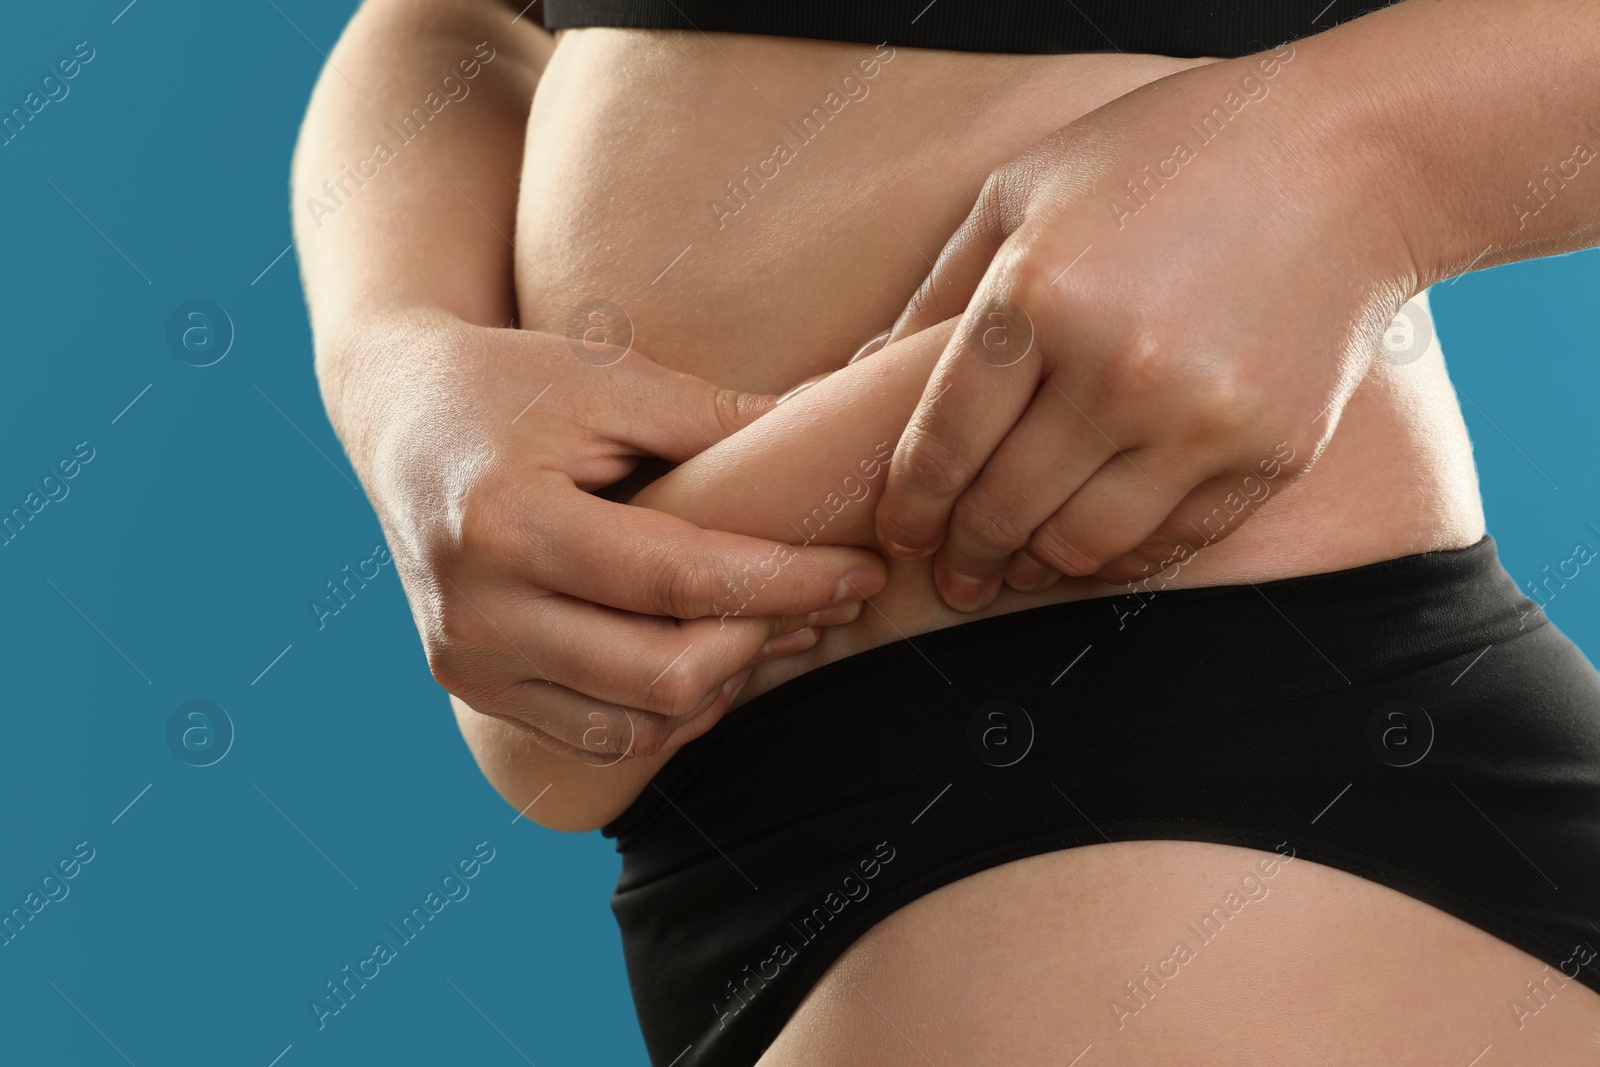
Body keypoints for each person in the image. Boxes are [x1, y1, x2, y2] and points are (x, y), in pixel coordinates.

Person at [293, 1, 1600, 1063]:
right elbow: (450, 21)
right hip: (741, 827)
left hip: (1181, 728)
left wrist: (1365, 159)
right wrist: (397, 358)